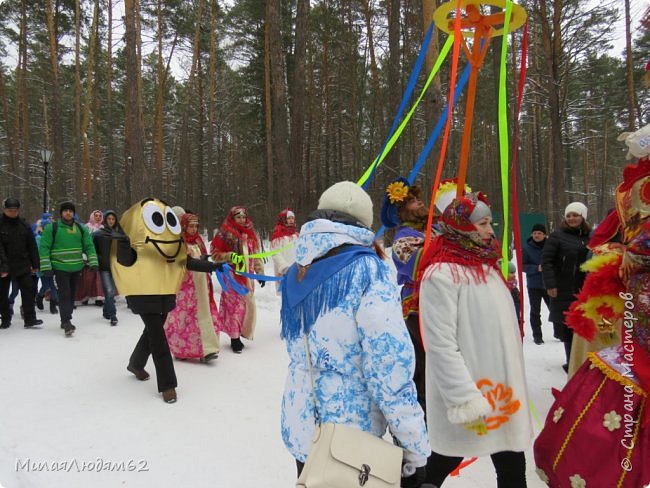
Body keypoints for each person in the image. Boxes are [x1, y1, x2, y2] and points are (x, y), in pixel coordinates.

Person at [280, 181, 431, 487]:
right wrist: (413, 447)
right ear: (364, 222)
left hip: (302, 427)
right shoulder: (367, 271)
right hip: (351, 439)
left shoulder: (297, 269)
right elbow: (389, 366)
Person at [533, 127, 650, 488]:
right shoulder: (562, 237)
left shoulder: (620, 206)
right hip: (603, 294)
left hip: (622, 295)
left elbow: (613, 241)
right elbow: (596, 247)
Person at [418, 192, 533, 488]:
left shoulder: (487, 266)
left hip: (502, 393)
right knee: (443, 460)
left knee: (512, 467)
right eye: (482, 224)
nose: (490, 230)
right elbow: (440, 345)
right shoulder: (441, 274)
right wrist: (464, 399)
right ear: (462, 226)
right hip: (471, 391)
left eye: (489, 222)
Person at [112, 198, 222, 403]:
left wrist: (214, 267)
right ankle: (168, 385)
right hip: (143, 295)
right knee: (158, 338)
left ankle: (135, 363)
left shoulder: (171, 242)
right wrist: (123, 239)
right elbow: (125, 261)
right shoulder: (136, 240)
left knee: (151, 332)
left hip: (164, 294)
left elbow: (186, 261)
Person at [164, 213, 221, 363]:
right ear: (183, 226)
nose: (194, 228)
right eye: (191, 225)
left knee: (203, 314)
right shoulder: (178, 242)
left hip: (201, 283)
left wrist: (205, 260)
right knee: (185, 318)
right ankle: (181, 349)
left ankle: (207, 350)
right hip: (186, 287)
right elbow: (188, 262)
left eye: (196, 225)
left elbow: (199, 257)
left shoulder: (197, 240)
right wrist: (211, 266)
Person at [542, 202, 591, 372]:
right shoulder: (557, 236)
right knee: (568, 327)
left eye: (575, 215)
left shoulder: (591, 237)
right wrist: (550, 284)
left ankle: (583, 360)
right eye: (568, 215)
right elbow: (546, 261)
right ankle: (572, 363)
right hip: (564, 288)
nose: (571, 218)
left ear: (583, 216)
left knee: (584, 326)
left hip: (586, 289)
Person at [210, 206, 264, 354]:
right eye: (238, 217)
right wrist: (229, 256)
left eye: (243, 217)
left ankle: (242, 331)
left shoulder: (250, 233)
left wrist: (260, 272)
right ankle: (234, 338)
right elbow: (214, 253)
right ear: (232, 218)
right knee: (235, 307)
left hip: (248, 276)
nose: (242, 220)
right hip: (232, 277)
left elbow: (256, 255)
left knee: (247, 305)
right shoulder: (225, 233)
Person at [39, 201, 98, 336]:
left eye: (70, 210)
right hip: (60, 267)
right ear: (61, 213)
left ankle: (65, 317)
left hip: (77, 267)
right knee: (64, 294)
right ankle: (66, 321)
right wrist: (46, 266)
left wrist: (93, 262)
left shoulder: (81, 228)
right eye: (65, 210)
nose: (68, 212)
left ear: (73, 213)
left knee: (72, 294)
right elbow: (44, 248)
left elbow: (89, 246)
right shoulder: (52, 228)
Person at [0, 198, 43, 329]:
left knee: (29, 291)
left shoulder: (24, 224)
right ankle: (6, 318)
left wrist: (35, 264)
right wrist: (3, 266)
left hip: (23, 264)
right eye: (10, 210)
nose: (12, 212)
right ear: (4, 209)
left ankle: (30, 318)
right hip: (4, 265)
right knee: (2, 294)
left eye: (15, 210)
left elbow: (32, 246)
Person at [92, 210, 123, 325]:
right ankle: (113, 315)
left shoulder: (119, 234)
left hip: (115, 268)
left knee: (112, 291)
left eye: (113, 219)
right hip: (104, 267)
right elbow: (92, 249)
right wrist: (98, 259)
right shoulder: (98, 234)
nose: (111, 221)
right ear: (105, 220)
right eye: (109, 219)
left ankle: (106, 311)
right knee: (109, 291)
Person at [521, 223, 550, 344]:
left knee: (555, 310)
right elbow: (522, 265)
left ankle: (560, 332)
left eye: (539, 233)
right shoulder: (527, 248)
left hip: (549, 283)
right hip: (534, 285)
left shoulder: (550, 246)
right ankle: (537, 336)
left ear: (544, 235)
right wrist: (536, 268)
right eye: (534, 233)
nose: (537, 235)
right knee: (535, 311)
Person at [75, 210, 104, 306]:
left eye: (100, 216)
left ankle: (98, 298)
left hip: (99, 255)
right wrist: (84, 254)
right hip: (88, 255)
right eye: (96, 216)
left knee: (98, 278)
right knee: (87, 278)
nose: (98, 217)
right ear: (92, 216)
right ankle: (84, 297)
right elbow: (83, 241)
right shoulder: (86, 227)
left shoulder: (103, 228)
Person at [270, 208, 298, 294]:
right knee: (286, 295)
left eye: (292, 218)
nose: (291, 220)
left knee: (296, 294)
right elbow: (275, 253)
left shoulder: (296, 235)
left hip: (296, 269)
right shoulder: (277, 235)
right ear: (283, 219)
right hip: (284, 270)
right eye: (288, 218)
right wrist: (284, 268)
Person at [34, 213, 58, 315]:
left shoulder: (54, 238)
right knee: (45, 285)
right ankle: (39, 297)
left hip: (53, 265)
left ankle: (53, 305)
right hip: (42, 265)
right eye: (46, 227)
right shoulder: (38, 238)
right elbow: (37, 252)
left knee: (53, 285)